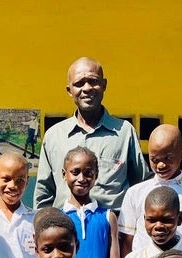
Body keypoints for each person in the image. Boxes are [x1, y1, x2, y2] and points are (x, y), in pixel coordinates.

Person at [32, 57, 148, 210]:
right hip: (65, 228)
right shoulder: (54, 136)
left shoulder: (124, 132)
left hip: (111, 228)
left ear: (104, 85)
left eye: (93, 81)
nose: (87, 88)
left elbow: (142, 187)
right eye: (79, 84)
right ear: (69, 91)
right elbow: (43, 194)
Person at [117, 124, 182, 255]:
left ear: (181, 154)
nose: (160, 165)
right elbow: (126, 241)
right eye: (154, 159)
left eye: (168, 158)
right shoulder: (135, 193)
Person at [61, 146, 120, 258]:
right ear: (64, 174)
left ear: (96, 175)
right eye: (75, 172)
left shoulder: (107, 216)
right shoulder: (58, 217)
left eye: (88, 173)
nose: (81, 178)